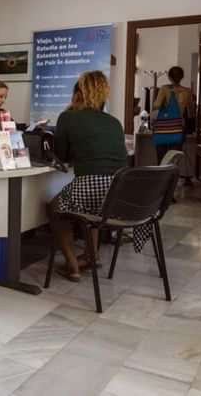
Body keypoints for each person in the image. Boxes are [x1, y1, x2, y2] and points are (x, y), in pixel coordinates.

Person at [49, 71, 128, 282]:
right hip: (119, 194)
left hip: (91, 186)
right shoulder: (114, 122)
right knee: (91, 208)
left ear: (78, 93)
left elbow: (62, 156)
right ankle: (91, 255)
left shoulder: (68, 117)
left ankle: (72, 264)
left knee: (56, 208)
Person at [152, 66, 194, 163]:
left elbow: (156, 107)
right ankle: (172, 177)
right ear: (182, 77)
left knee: (162, 161)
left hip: (162, 129)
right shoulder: (187, 91)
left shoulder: (164, 89)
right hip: (178, 128)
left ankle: (162, 177)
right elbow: (191, 113)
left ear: (169, 77)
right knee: (174, 161)